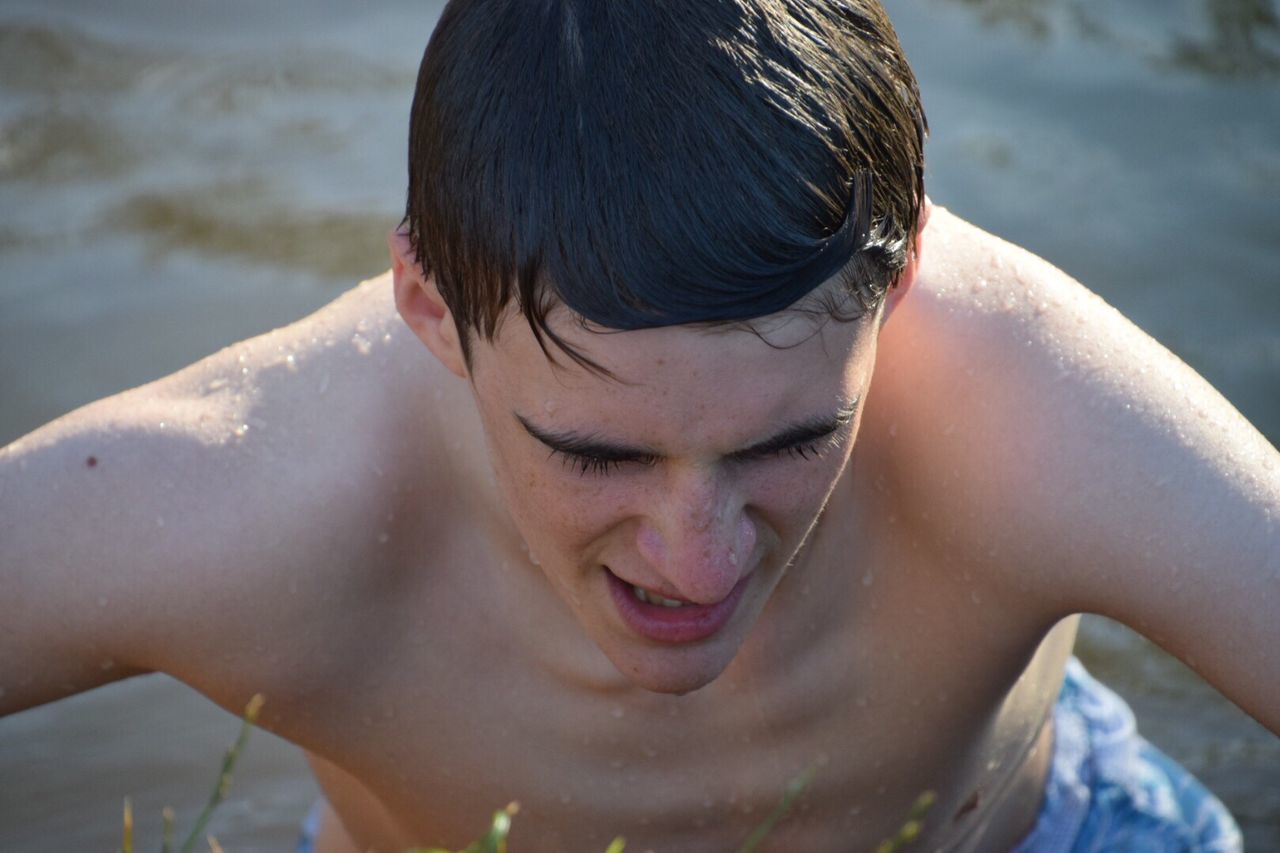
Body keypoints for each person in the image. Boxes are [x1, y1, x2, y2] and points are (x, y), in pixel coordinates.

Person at [1, 1, 1274, 850]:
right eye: (595, 452)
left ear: (897, 290)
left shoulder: (1035, 418)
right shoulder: (252, 497)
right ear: (428, 308)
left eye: (785, 442)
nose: (697, 559)